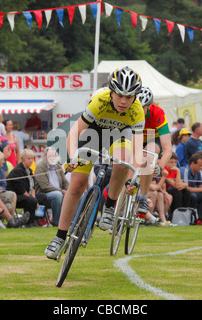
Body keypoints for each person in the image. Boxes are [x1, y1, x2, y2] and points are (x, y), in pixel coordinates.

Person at [45, 66, 144, 259]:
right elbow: (75, 132)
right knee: (76, 185)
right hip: (93, 134)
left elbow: (138, 151)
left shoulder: (137, 110)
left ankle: (109, 206)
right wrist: (72, 157)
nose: (124, 101)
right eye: (119, 95)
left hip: (119, 135)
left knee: (123, 162)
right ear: (112, 92)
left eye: (129, 97)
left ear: (135, 97)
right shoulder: (100, 101)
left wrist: (133, 179)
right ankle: (59, 237)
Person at [135, 86, 172, 218]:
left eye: (142, 108)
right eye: (136, 108)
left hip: (151, 137)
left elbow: (168, 149)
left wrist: (160, 166)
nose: (139, 111)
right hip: (136, 136)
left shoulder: (158, 113)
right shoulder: (129, 111)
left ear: (149, 106)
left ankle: (143, 198)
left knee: (150, 154)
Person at [7, 149, 46, 227]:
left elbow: (33, 186)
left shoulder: (29, 171)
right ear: (22, 159)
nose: (31, 161)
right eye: (28, 159)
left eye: (32, 159)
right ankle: (29, 222)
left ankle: (37, 219)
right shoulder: (18, 171)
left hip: (26, 194)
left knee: (43, 197)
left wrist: (35, 198)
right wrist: (33, 199)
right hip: (15, 196)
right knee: (31, 200)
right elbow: (21, 189)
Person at [35, 147, 68, 227]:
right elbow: (44, 186)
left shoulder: (58, 166)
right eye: (49, 156)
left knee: (78, 195)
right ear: (45, 157)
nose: (52, 158)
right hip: (44, 194)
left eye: (53, 156)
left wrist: (69, 190)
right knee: (57, 195)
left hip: (59, 192)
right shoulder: (40, 167)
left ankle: (72, 220)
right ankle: (56, 222)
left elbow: (65, 182)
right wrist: (61, 190)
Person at [180, 153, 202, 219]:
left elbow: (201, 186)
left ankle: (200, 217)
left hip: (192, 192)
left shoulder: (197, 172)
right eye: (200, 165)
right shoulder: (185, 170)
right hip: (183, 193)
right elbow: (186, 188)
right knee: (193, 196)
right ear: (192, 163)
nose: (201, 168)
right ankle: (191, 217)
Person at [164, 153, 190, 219]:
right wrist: (178, 171)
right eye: (171, 162)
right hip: (164, 190)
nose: (173, 164)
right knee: (177, 192)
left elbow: (184, 185)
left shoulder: (174, 170)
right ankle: (176, 215)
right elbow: (176, 185)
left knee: (186, 192)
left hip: (172, 189)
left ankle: (184, 214)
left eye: (175, 162)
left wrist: (184, 184)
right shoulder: (165, 170)